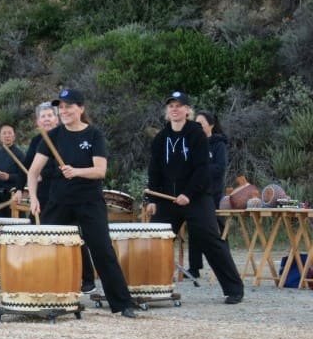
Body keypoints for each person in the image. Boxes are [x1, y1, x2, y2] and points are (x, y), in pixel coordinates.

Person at [26, 88, 139, 318]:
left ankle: (122, 303)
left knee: (102, 250)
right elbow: (33, 171)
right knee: (46, 247)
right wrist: (34, 198)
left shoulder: (94, 135)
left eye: (69, 106)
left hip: (89, 201)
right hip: (59, 201)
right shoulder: (52, 136)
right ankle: (43, 298)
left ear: (81, 108)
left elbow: (100, 171)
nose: (64, 111)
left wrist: (76, 171)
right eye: (61, 107)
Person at [145, 92, 244, 304]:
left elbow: (202, 169)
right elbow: (154, 169)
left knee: (210, 240)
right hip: (167, 200)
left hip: (197, 198)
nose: (175, 109)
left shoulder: (196, 134)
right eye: (171, 106)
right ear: (167, 111)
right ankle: (147, 287)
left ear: (187, 110)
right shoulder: (161, 138)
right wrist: (151, 199)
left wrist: (188, 194)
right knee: (154, 240)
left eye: (179, 106)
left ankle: (234, 289)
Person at [24, 101, 96, 291]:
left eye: (50, 115)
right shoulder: (37, 141)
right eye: (43, 116)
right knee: (43, 236)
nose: (47, 119)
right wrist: (24, 190)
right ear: (38, 121)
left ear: (57, 118)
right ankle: (50, 278)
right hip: (43, 194)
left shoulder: (64, 137)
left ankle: (86, 279)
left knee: (73, 236)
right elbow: (28, 167)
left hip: (64, 193)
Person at [187, 110, 228, 280]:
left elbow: (219, 168)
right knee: (193, 228)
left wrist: (201, 169)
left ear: (211, 125)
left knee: (218, 229)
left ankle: (225, 264)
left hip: (213, 193)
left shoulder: (219, 144)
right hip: (195, 192)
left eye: (201, 124)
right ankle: (194, 267)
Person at [0, 124, 27, 218]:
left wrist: (9, 177)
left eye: (9, 133)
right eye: (4, 133)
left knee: (16, 224)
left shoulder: (20, 154)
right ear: (0, 137)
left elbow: (24, 175)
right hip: (0, 195)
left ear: (14, 136)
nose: (7, 136)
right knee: (1, 224)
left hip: (15, 195)